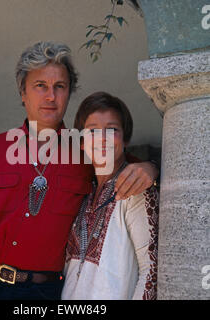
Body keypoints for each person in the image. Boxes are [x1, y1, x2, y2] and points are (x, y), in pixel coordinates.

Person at [0, 42, 159, 300]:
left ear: (69, 93)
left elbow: (128, 167)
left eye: (60, 87)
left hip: (42, 293)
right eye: (40, 86)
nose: (50, 97)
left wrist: (151, 167)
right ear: (23, 92)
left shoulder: (85, 151)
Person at [61, 92, 159, 300]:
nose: (102, 138)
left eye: (112, 129)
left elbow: (151, 272)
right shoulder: (83, 198)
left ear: (126, 139)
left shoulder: (134, 189)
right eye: (93, 130)